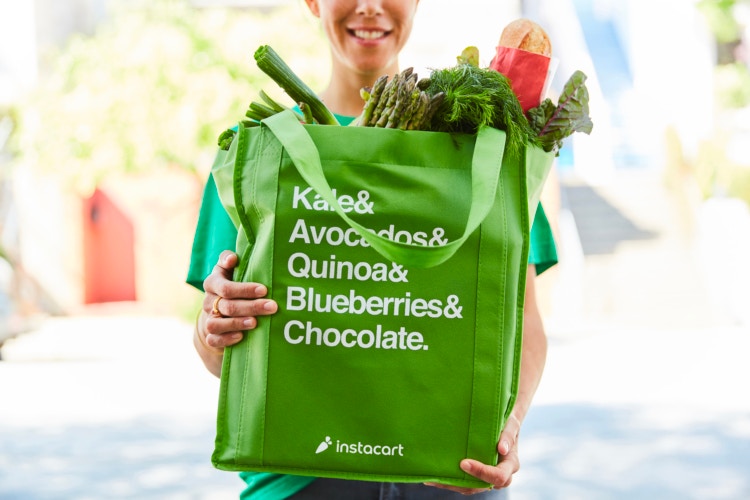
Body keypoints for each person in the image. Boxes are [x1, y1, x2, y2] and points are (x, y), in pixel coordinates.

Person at [187, 0, 557, 498]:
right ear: (313, 3)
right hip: (300, 478)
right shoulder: (261, 149)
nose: (369, 7)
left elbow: (524, 323)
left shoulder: (482, 150)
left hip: (451, 472)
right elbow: (217, 356)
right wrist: (216, 330)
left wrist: (506, 424)